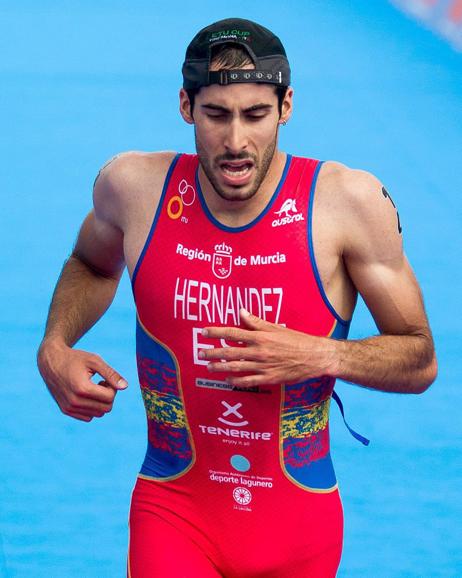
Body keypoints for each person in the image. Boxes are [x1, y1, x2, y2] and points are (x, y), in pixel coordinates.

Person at [37, 17, 437, 578]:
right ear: (185, 106)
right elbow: (89, 264)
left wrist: (322, 355)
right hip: (174, 510)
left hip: (298, 522)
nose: (235, 142)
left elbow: (420, 357)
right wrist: (55, 347)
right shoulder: (133, 188)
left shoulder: (347, 205)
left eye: (255, 115)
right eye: (216, 115)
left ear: (287, 106)